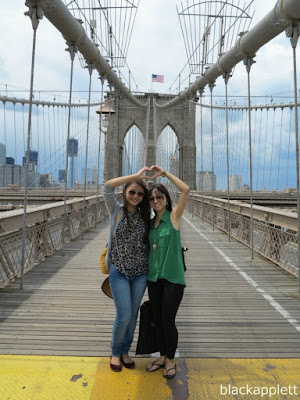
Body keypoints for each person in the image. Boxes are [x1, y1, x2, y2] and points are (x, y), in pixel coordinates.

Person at [103, 167, 151, 372]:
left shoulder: (147, 216)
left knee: (133, 316)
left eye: (140, 193)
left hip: (140, 273)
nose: (136, 196)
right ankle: (115, 352)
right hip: (119, 272)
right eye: (132, 192)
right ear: (124, 193)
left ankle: (125, 351)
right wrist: (136, 177)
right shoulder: (116, 210)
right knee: (123, 315)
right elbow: (106, 187)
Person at [146, 165, 189, 379]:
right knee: (158, 319)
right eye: (152, 198)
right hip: (153, 279)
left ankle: (170, 359)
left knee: (168, 319)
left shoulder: (174, 218)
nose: (156, 201)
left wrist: (164, 174)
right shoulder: (150, 223)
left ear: (165, 198)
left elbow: (185, 190)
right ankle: (162, 355)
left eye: (159, 196)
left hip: (172, 279)